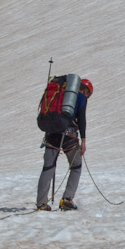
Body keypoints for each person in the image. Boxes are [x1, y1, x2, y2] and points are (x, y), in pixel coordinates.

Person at [37, 77, 92, 211]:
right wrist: (83, 140)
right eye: (88, 93)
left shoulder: (59, 95)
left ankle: (41, 203)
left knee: (48, 167)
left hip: (51, 134)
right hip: (69, 135)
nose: (87, 96)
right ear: (84, 90)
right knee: (76, 166)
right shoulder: (81, 98)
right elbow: (82, 120)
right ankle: (67, 199)